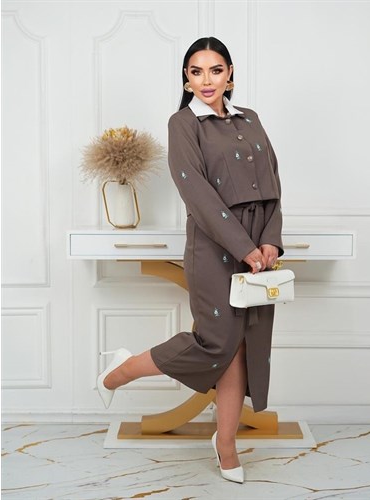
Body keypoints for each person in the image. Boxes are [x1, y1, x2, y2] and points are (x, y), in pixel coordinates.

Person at [97, 37, 284, 484]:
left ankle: (225, 444)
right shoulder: (183, 124)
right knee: (216, 343)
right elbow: (196, 192)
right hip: (212, 247)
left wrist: (270, 242)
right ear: (186, 78)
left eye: (215, 70)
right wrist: (243, 246)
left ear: (230, 74)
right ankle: (122, 369)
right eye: (196, 72)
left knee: (240, 348)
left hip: (257, 245)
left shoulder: (251, 119)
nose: (206, 80)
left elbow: (273, 184)